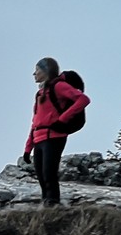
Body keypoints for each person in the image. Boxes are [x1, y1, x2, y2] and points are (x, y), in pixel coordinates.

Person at [21, 57, 89, 207]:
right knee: (41, 174)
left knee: (48, 173)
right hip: (39, 138)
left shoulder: (58, 86)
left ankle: (53, 204)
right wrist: (28, 149)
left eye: (37, 70)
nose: (34, 74)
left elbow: (83, 99)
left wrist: (62, 120)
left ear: (46, 71)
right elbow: (35, 122)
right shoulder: (40, 94)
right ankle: (47, 204)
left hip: (54, 136)